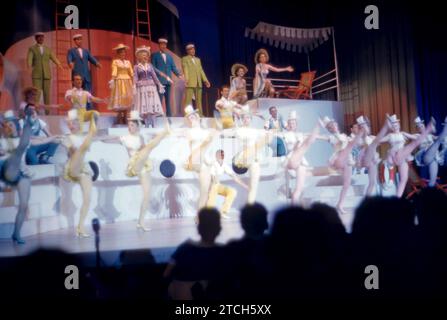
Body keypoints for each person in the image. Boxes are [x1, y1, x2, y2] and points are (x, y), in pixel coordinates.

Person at [100, 110, 170, 231]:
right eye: (129, 125)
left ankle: (140, 222)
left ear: (138, 126)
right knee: (150, 146)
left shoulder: (141, 138)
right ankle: (165, 132)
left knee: (147, 195)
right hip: (134, 165)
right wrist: (100, 136)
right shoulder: (125, 138)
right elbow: (107, 140)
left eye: (132, 125)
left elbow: (144, 149)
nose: (129, 127)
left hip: (143, 165)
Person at [363, 114, 435, 198]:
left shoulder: (403, 134)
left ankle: (397, 198)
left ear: (399, 125)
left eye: (396, 124)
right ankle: (388, 169)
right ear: (391, 127)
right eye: (393, 125)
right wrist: (371, 138)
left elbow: (416, 139)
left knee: (403, 179)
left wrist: (424, 135)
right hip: (393, 155)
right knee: (409, 146)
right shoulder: (390, 136)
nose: (395, 126)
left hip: (402, 157)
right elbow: (379, 140)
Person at [164, 208, 224, 300]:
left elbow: (166, 273)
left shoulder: (184, 249)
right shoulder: (223, 252)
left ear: (199, 228)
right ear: (219, 229)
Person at [61, 109, 99, 237]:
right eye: (70, 124)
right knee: (83, 145)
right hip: (73, 166)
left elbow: (102, 138)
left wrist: (119, 138)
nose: (71, 126)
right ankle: (94, 125)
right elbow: (71, 149)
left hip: (84, 167)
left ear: (78, 124)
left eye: (74, 123)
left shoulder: (83, 137)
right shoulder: (67, 138)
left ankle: (80, 227)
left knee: (88, 198)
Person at [0, 108, 35, 244]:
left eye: (11, 125)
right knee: (18, 150)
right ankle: (29, 124)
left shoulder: (22, 140)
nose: (9, 127)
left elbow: (33, 143)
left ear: (16, 125)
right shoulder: (2, 141)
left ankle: (16, 233)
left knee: (24, 205)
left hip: (20, 173)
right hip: (5, 171)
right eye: (6, 125)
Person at [318, 116, 363, 214]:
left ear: (336, 125)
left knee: (347, 184)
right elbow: (319, 137)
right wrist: (310, 135)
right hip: (338, 159)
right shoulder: (330, 137)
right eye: (331, 126)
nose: (334, 126)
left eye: (334, 124)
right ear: (329, 129)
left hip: (347, 159)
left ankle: (340, 204)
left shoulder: (343, 135)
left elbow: (352, 144)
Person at [280, 111, 320, 204]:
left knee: (299, 189)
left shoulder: (300, 134)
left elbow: (312, 138)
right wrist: (297, 144)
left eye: (293, 123)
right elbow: (288, 147)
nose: (291, 125)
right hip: (291, 158)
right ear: (288, 124)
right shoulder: (285, 135)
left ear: (296, 124)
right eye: (290, 123)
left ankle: (296, 211)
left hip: (300, 160)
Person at [206, 149, 248, 218]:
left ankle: (223, 212)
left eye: (222, 155)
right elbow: (212, 177)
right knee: (210, 201)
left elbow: (234, 177)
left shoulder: (224, 165)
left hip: (217, 185)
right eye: (220, 155)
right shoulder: (213, 164)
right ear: (216, 156)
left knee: (232, 191)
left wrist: (245, 185)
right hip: (211, 185)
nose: (221, 156)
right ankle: (204, 216)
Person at [409, 116, 447, 187]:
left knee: (432, 182)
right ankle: (446, 127)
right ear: (417, 129)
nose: (421, 127)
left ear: (424, 126)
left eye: (422, 125)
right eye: (419, 127)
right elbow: (408, 136)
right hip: (424, 156)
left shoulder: (430, 136)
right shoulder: (417, 136)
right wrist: (400, 133)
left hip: (433, 158)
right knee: (437, 142)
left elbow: (440, 138)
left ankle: (428, 195)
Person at [67, 34, 102, 110]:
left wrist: (97, 63)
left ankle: (88, 109)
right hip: (77, 75)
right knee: (77, 94)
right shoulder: (71, 51)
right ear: (75, 41)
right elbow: (69, 58)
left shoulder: (86, 51)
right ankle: (77, 109)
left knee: (88, 93)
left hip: (86, 75)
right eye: (77, 39)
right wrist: (70, 62)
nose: (79, 41)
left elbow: (91, 58)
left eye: (80, 39)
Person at [133, 46, 165, 128]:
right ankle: (146, 122)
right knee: (145, 105)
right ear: (139, 56)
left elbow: (154, 76)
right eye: (143, 55)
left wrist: (159, 84)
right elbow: (135, 77)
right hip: (142, 87)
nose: (145, 56)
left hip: (151, 87)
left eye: (146, 55)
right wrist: (134, 85)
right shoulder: (136, 67)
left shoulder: (150, 66)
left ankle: (153, 122)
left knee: (151, 104)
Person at [27, 32, 62, 105]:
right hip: (37, 74)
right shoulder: (32, 48)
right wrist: (29, 66)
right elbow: (29, 58)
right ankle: (35, 111)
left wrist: (59, 64)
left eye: (42, 37)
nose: (41, 38)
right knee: (36, 94)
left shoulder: (47, 49)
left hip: (47, 74)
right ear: (36, 38)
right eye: (39, 37)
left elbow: (53, 57)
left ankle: (47, 112)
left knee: (47, 94)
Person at [151, 38, 183, 116]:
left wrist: (179, 74)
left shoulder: (169, 56)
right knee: (159, 98)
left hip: (168, 81)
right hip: (160, 81)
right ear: (159, 45)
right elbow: (153, 68)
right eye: (162, 44)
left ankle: (169, 114)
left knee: (168, 99)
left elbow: (173, 67)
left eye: (165, 44)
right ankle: (158, 114)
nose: (163, 46)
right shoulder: (155, 55)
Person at [351, 116, 381, 196]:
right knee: (370, 182)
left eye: (365, 124)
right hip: (364, 158)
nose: (364, 126)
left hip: (372, 159)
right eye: (362, 124)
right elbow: (364, 139)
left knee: (373, 182)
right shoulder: (361, 137)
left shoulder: (370, 137)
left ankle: (368, 200)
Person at [182, 43, 210, 115]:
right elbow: (185, 69)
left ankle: (200, 114)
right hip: (190, 82)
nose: (193, 50)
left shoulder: (198, 60)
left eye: (193, 49)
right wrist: (186, 79)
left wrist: (205, 80)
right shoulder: (185, 59)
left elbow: (201, 70)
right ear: (187, 51)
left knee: (199, 101)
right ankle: (187, 115)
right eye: (191, 49)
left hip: (198, 82)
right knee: (188, 100)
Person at [108, 44, 133, 125]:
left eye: (124, 52)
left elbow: (131, 72)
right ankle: (119, 117)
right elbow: (114, 71)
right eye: (121, 52)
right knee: (120, 100)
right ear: (118, 53)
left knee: (127, 100)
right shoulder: (115, 62)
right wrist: (112, 79)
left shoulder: (128, 62)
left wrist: (135, 81)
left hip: (127, 81)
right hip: (119, 81)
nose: (123, 54)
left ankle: (125, 117)